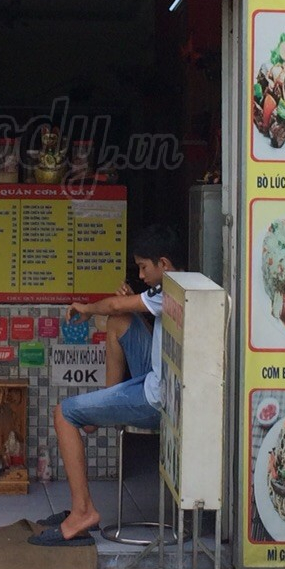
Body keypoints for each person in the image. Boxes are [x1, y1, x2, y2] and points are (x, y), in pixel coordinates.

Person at [31, 225, 182, 545]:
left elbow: (112, 305)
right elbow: (124, 315)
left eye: (144, 267)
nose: (140, 275)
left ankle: (83, 512)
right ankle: (106, 400)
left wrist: (86, 309)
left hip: (157, 398)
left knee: (64, 414)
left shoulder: (170, 292)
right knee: (121, 321)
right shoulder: (181, 286)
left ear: (164, 264)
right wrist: (128, 306)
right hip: (165, 381)